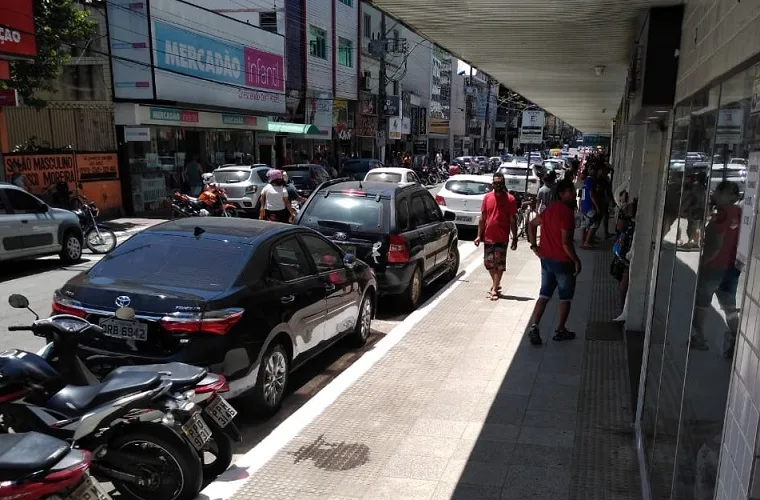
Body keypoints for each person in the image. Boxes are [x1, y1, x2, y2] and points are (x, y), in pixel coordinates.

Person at [526, 179, 582, 345]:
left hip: (546, 260)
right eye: (571, 192)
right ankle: (560, 330)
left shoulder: (550, 209)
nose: (574, 194)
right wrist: (577, 260)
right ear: (562, 194)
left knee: (544, 295)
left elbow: (531, 224)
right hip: (563, 262)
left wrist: (534, 246)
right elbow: (566, 243)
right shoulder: (566, 213)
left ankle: (534, 326)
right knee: (565, 297)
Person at [691, 181, 741, 357]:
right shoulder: (739, 213)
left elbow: (716, 245)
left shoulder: (721, 214)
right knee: (729, 306)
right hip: (731, 267)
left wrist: (704, 262)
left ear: (733, 197)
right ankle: (735, 340)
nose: (717, 193)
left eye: (722, 191)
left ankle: (699, 338)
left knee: (702, 303)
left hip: (715, 266)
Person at [474, 172, 518, 301]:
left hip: (502, 238)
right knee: (488, 263)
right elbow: (482, 218)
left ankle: (494, 289)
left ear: (503, 184)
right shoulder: (487, 198)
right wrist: (478, 236)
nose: (498, 185)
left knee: (499, 265)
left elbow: (513, 220)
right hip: (488, 237)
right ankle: (496, 284)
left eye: (500, 183)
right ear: (492, 184)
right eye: (495, 183)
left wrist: (515, 238)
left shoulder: (510, 199)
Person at [580, 168, 600, 249]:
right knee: (594, 224)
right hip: (589, 206)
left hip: (584, 206)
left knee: (584, 224)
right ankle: (587, 242)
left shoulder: (586, 181)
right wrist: (597, 206)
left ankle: (582, 241)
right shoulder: (591, 181)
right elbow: (592, 195)